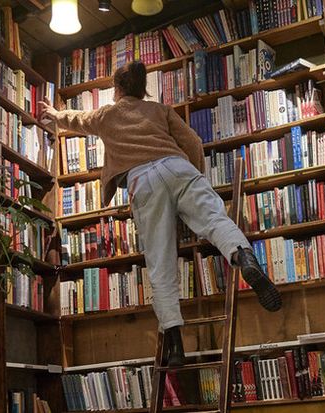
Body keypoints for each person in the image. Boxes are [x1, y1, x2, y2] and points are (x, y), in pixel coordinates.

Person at [39, 61, 282, 366]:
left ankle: (176, 345)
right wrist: (195, 177)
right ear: (143, 89)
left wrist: (55, 115)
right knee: (215, 220)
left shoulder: (106, 114)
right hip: (178, 167)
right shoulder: (160, 110)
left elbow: (78, 120)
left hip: (143, 181)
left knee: (160, 262)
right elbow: (193, 141)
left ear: (117, 89)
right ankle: (243, 256)